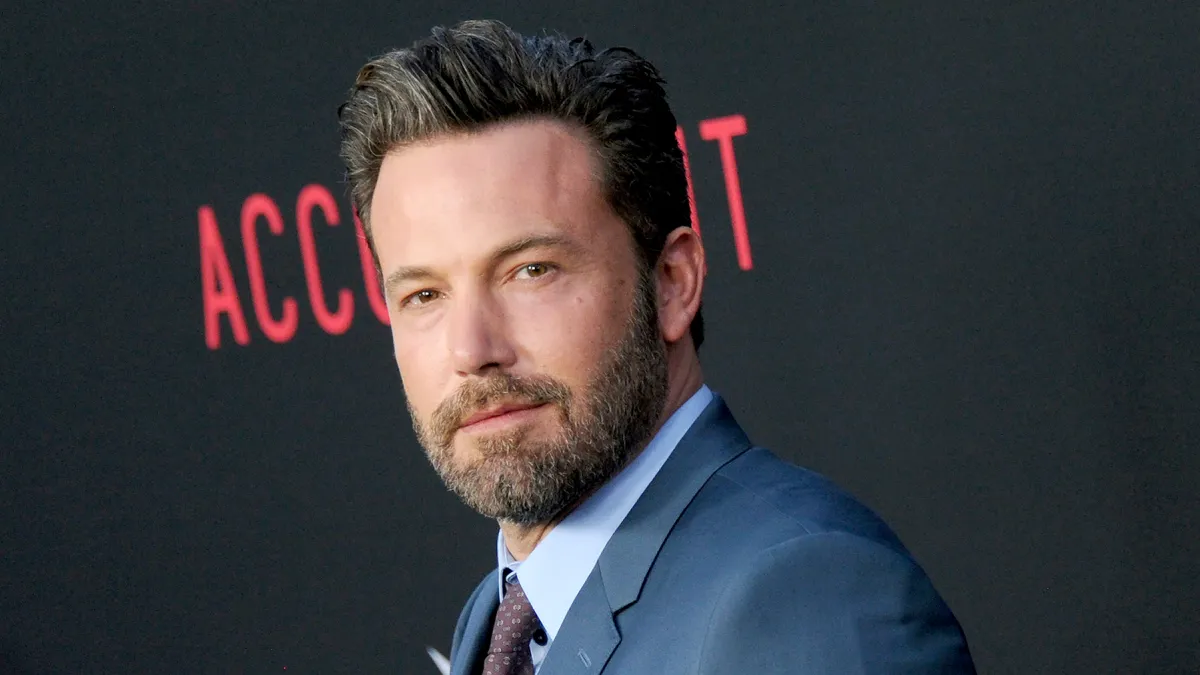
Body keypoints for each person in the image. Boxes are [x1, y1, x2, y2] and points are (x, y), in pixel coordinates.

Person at [337, 19, 976, 675]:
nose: (472, 348)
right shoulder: (500, 614)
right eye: (423, 295)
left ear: (672, 283)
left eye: (531, 270)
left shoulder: (804, 594)